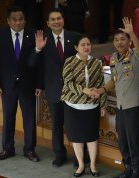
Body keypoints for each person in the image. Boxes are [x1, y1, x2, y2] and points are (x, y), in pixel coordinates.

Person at [94, 17, 139, 178]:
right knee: (123, 141)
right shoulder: (114, 58)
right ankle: (128, 169)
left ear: (129, 41)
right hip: (121, 107)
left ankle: (137, 174)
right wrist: (101, 90)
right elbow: (114, 80)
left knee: (134, 141)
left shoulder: (135, 56)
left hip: (134, 107)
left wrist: (132, 32)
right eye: (116, 40)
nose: (119, 42)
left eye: (123, 39)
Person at [0, 6, 42, 162]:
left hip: (28, 85)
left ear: (25, 20)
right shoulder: (0, 35)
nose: (18, 22)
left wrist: (39, 84)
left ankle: (30, 150)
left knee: (29, 119)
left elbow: (40, 63)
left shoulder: (34, 35)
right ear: (8, 20)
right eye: (15, 19)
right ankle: (7, 149)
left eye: (21, 19)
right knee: (8, 118)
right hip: (7, 85)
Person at [32, 8, 81, 167]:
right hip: (53, 90)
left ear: (63, 20)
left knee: (74, 125)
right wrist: (38, 49)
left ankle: (79, 157)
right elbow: (33, 64)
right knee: (57, 125)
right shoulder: (43, 39)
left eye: (58, 18)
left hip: (73, 90)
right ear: (48, 23)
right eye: (52, 19)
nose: (56, 21)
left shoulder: (74, 37)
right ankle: (59, 154)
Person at [61, 35, 106, 178]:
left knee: (92, 137)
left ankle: (92, 164)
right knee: (76, 137)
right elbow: (68, 82)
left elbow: (101, 84)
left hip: (91, 106)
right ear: (76, 47)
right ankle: (80, 165)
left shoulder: (97, 63)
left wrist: (102, 104)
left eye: (88, 44)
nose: (86, 47)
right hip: (72, 105)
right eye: (83, 45)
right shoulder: (69, 61)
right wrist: (84, 90)